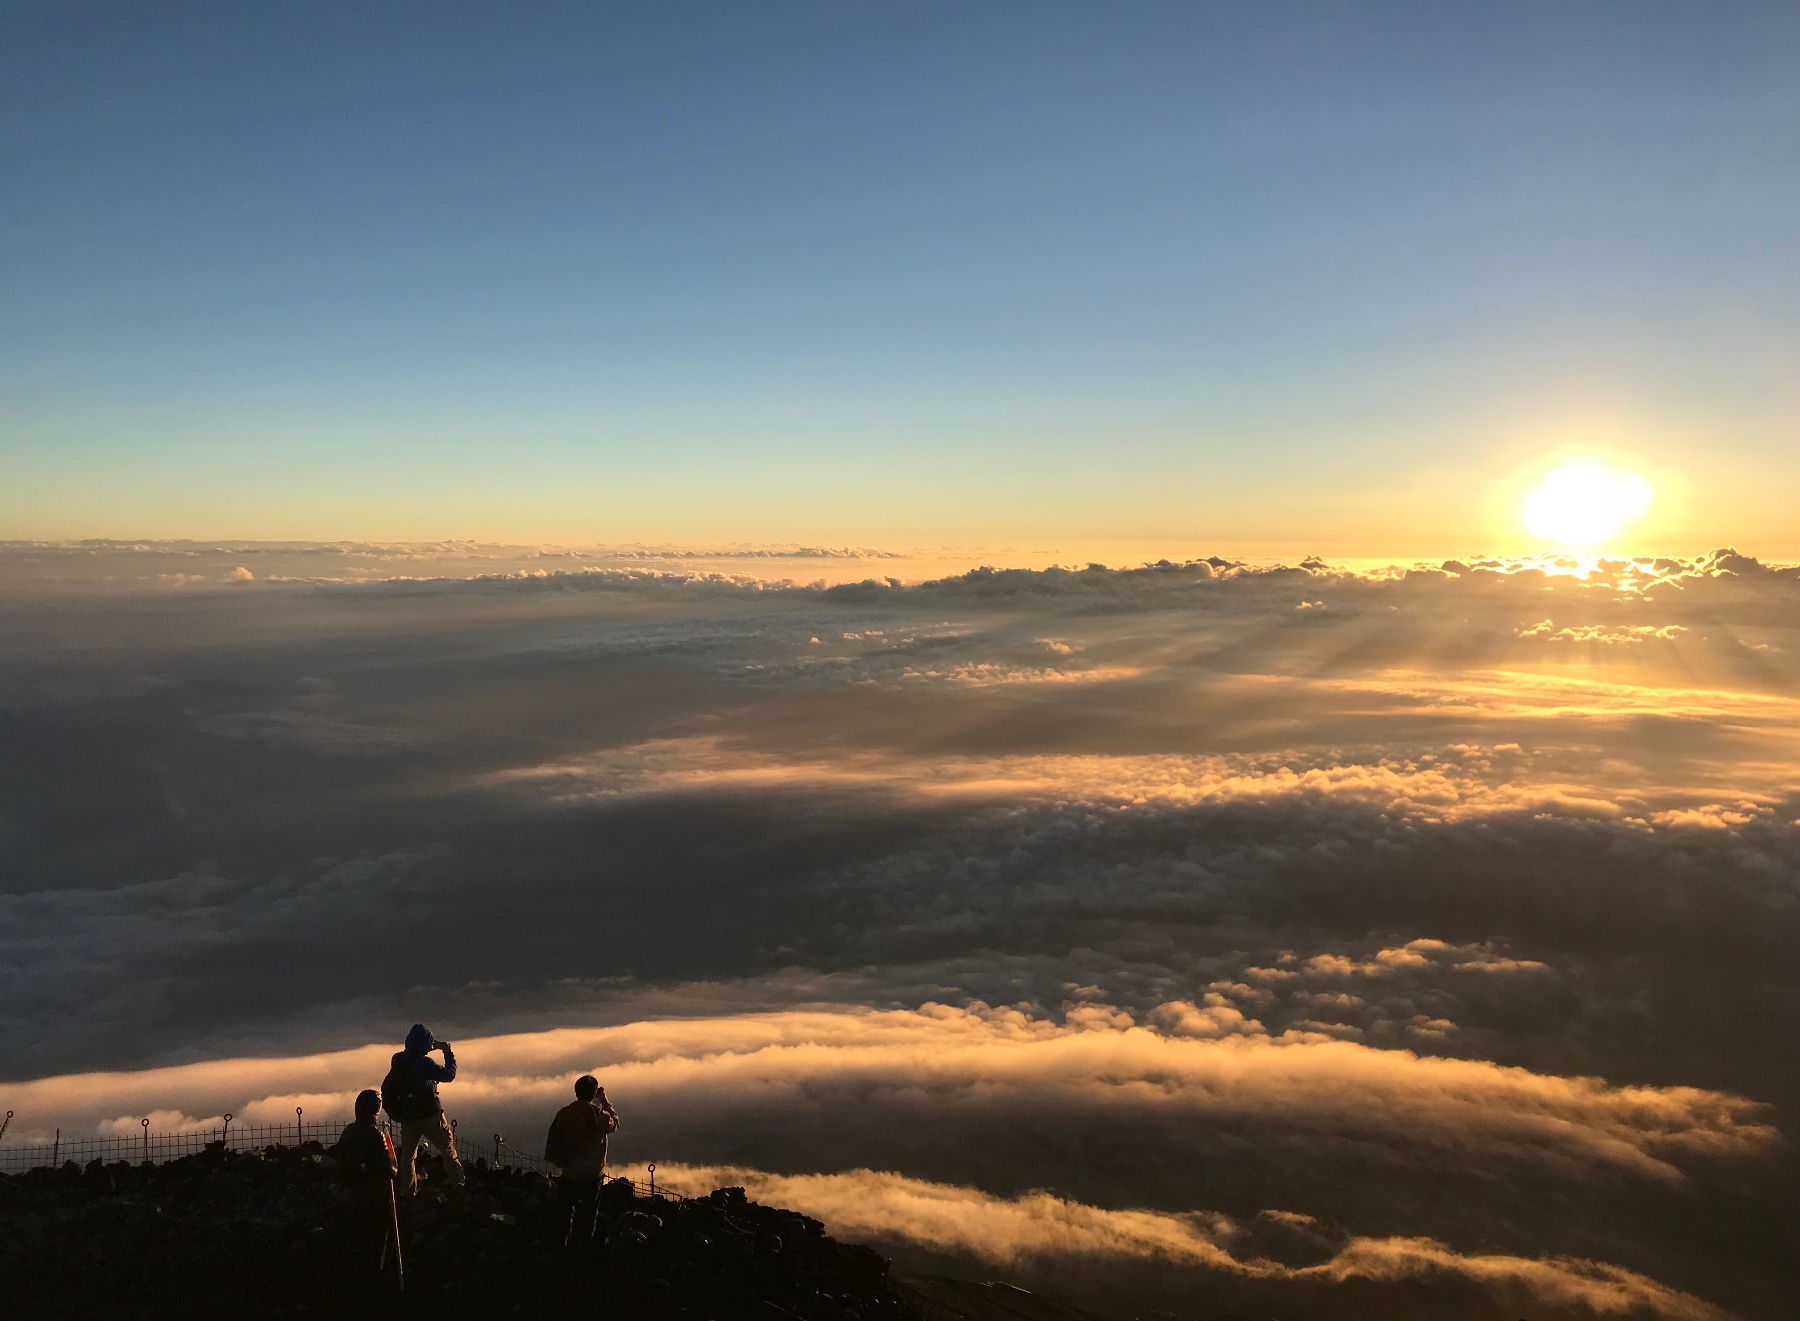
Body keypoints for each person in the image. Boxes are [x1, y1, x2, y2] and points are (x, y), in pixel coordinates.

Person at [382, 1023, 466, 1195]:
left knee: (408, 1156)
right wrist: (448, 1053)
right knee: (447, 1150)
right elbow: (448, 1075)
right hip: (429, 1116)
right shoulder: (424, 1063)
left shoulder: (397, 1059)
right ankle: (459, 1186)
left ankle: (408, 1190)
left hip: (407, 1116)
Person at [543, 1075, 619, 1248]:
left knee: (564, 1213)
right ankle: (581, 1251)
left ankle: (559, 1246)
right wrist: (605, 1102)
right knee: (588, 1216)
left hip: (570, 1174)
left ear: (576, 1092)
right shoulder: (600, 1116)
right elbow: (615, 1123)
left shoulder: (565, 1114)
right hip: (592, 1176)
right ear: (594, 1094)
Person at [333, 1089, 399, 1282]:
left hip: (353, 1195)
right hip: (375, 1198)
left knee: (355, 1238)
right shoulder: (378, 1137)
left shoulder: (348, 1132)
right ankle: (372, 1278)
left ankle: (351, 1276)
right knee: (375, 1241)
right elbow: (391, 1169)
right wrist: (388, 1142)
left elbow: (341, 1162)